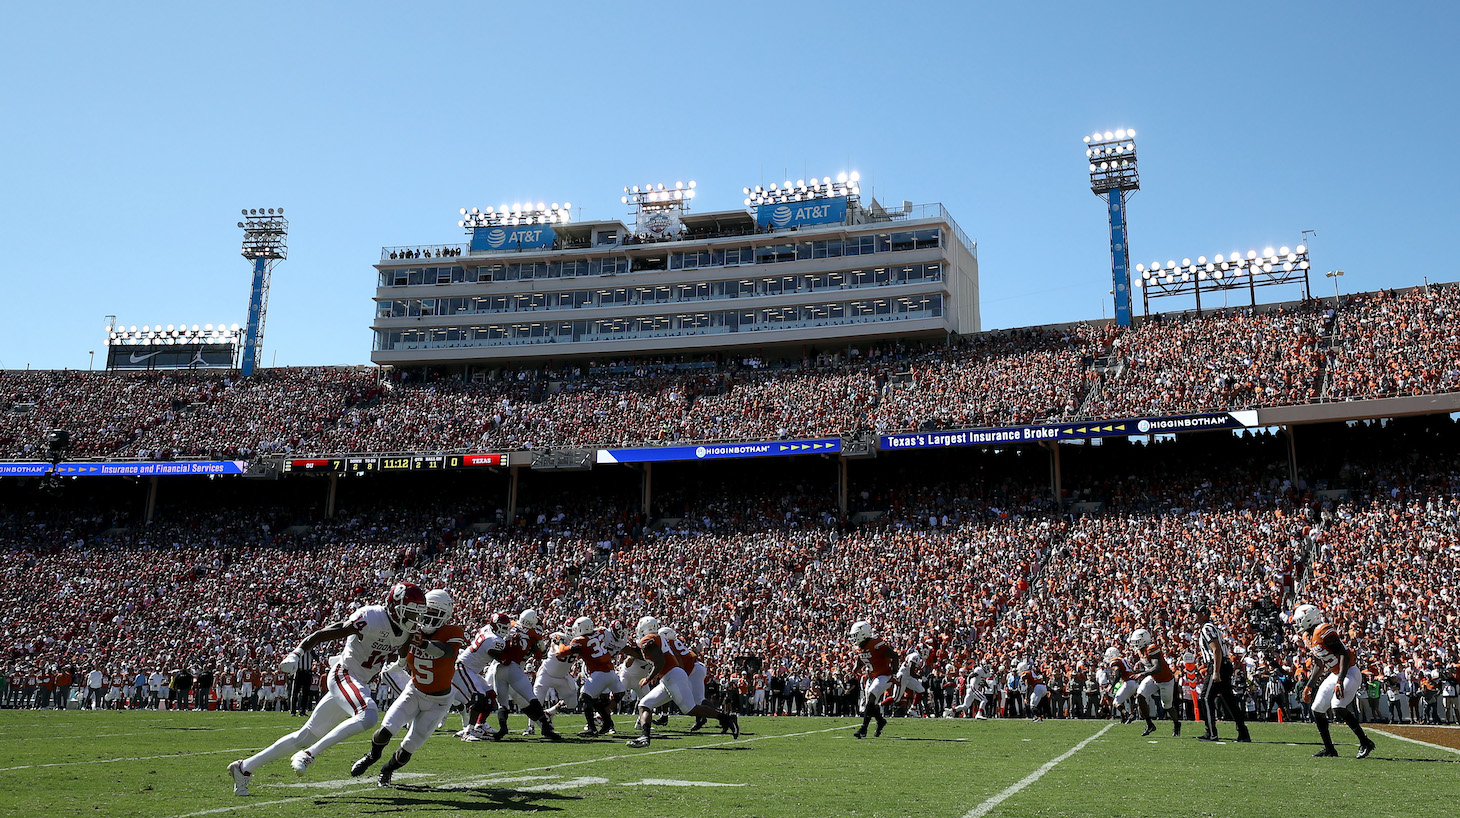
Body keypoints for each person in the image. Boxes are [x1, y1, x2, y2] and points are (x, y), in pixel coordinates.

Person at [227, 582, 427, 797]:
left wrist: (401, 662)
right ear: (393, 606)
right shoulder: (371, 617)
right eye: (409, 613)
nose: (414, 620)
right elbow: (325, 633)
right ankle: (309, 754)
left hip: (358, 683)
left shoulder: (407, 630)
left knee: (303, 736)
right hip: (344, 674)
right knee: (368, 716)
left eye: (417, 615)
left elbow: (400, 652)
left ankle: (244, 767)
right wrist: (297, 653)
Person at [351, 589, 466, 787]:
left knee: (409, 746)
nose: (429, 618)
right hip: (414, 690)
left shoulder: (454, 632)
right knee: (386, 729)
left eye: (435, 613)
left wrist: (423, 643)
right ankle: (372, 756)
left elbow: (446, 653)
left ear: (446, 615)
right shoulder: (410, 628)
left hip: (438, 702)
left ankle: (386, 771)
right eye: (426, 612)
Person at [624, 616, 738, 748]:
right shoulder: (657, 639)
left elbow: (660, 662)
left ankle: (726, 717)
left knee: (689, 709)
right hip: (669, 677)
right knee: (644, 704)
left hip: (671, 676)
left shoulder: (648, 640)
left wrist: (648, 678)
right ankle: (645, 737)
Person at [1291, 604, 1375, 759]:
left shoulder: (1323, 631)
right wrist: (1309, 685)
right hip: (1335, 673)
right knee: (1317, 708)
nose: (1297, 624)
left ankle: (1365, 742)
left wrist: (1340, 681)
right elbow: (1318, 664)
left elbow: (1344, 655)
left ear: (1309, 619)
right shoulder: (1307, 636)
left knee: (1337, 706)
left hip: (1349, 671)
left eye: (1299, 620)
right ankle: (1330, 749)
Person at [1194, 603, 1250, 743]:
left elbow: (1216, 649)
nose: (1194, 616)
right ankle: (1243, 732)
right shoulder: (1211, 627)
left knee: (1206, 698)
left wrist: (1216, 672)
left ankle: (1211, 733)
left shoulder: (1207, 628)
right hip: (1222, 664)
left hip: (1217, 665)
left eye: (1197, 613)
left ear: (1203, 614)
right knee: (1229, 700)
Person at [563, 617, 627, 737]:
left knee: (584, 697)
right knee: (595, 700)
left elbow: (563, 652)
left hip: (599, 672)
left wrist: (558, 646)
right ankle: (608, 723)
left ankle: (591, 728)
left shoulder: (579, 640)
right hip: (611, 672)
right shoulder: (601, 632)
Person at [1129, 628, 1181, 737]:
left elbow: (1158, 668)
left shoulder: (1151, 649)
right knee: (1140, 696)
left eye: (1137, 641)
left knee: (1167, 706)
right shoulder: (1141, 650)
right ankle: (1150, 724)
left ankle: (1177, 724)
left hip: (1165, 680)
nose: (1135, 644)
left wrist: (1142, 674)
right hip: (1153, 678)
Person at [848, 620, 896, 738]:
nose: (853, 638)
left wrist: (894, 674)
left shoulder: (876, 643)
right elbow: (861, 658)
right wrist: (857, 667)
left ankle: (863, 729)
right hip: (873, 677)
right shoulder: (859, 646)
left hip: (885, 675)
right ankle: (880, 721)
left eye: (855, 635)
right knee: (871, 703)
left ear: (863, 634)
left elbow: (894, 655)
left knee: (871, 696)